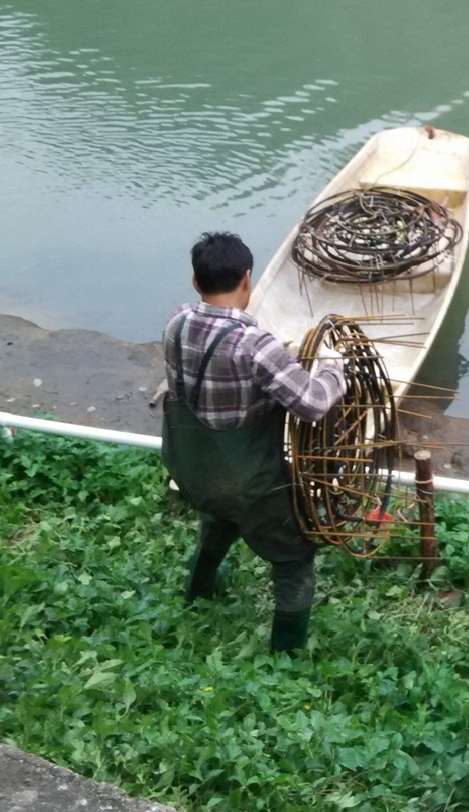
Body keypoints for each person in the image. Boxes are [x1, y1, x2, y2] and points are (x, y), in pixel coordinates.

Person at [161, 231, 347, 653]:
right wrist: (335, 370)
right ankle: (286, 653)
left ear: (195, 281)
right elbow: (313, 404)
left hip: (191, 469)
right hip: (247, 482)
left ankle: (198, 590)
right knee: (294, 557)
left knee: (220, 516)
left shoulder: (177, 324)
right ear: (248, 278)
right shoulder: (254, 345)